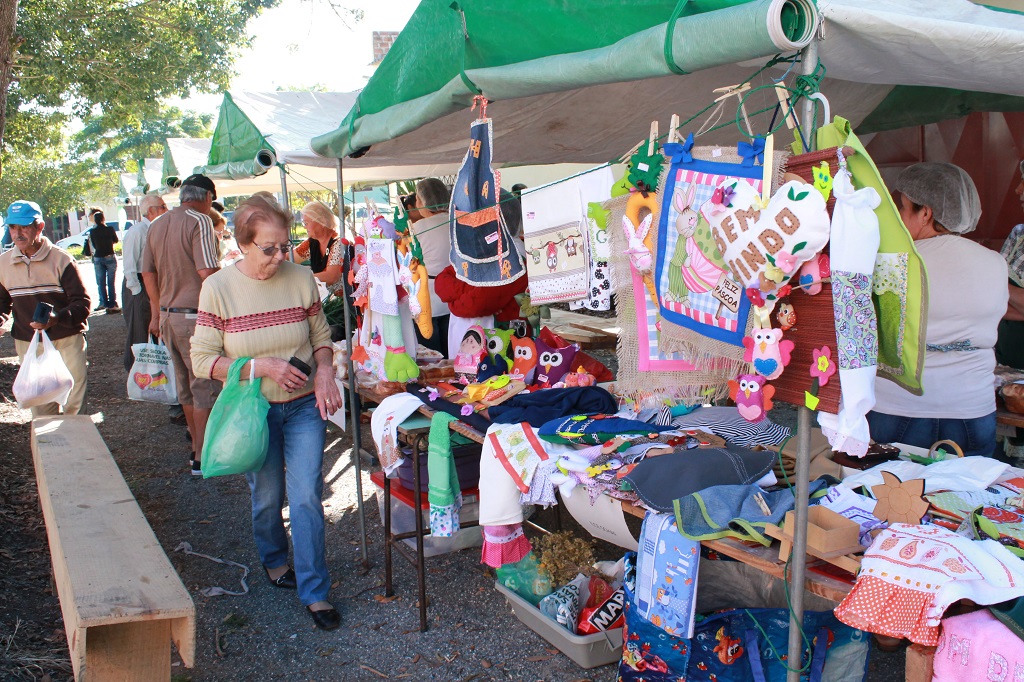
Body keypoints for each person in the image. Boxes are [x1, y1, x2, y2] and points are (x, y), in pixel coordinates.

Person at [190, 195, 343, 630]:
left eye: (284, 245)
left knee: (308, 496)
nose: (281, 256)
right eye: (269, 248)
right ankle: (275, 560)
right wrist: (261, 367)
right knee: (268, 497)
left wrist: (326, 370)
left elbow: (319, 334)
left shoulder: (299, 278)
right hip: (254, 411)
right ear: (243, 245)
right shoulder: (218, 288)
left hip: (302, 410)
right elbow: (202, 360)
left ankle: (314, 591)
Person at [869, 163, 1008, 457]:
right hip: (972, 408)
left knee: (891, 497)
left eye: (903, 207)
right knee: (962, 501)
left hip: (898, 406)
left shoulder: (892, 262)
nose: (898, 215)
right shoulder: (994, 262)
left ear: (926, 213)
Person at [140, 174, 221, 476]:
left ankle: (195, 450)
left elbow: (147, 273)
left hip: (167, 316)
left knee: (185, 388)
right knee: (204, 386)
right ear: (207, 198)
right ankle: (204, 454)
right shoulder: (199, 220)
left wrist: (156, 310)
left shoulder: (157, 224)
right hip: (195, 315)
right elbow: (208, 273)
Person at [0, 200, 91, 416]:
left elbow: (83, 303)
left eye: (24, 227)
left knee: (73, 402)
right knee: (39, 404)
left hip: (66, 338)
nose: (17, 233)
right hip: (28, 341)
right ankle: (48, 448)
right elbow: (2, 303)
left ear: (40, 227)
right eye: (13, 227)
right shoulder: (2, 264)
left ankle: (77, 449)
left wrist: (56, 317)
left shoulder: (62, 259)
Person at [121, 195, 168, 372]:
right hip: (139, 285)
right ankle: (138, 370)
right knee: (140, 327)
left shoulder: (159, 228)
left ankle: (156, 370)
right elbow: (130, 265)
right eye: (163, 207)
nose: (166, 210)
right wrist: (137, 293)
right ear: (151, 211)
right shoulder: (138, 231)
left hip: (153, 282)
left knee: (155, 328)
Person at [412, 178, 452, 356]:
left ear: (421, 202)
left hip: (427, 295)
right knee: (452, 348)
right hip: (455, 293)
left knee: (431, 355)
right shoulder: (457, 222)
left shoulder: (417, 228)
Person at [997, 159, 1024, 369]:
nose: (1017, 189)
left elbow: (995, 294)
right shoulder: (1018, 234)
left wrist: (1002, 289)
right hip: (1005, 362)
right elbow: (991, 297)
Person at [293, 201, 343, 294]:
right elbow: (291, 257)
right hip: (322, 297)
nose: (304, 227)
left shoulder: (338, 243)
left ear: (322, 221)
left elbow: (331, 277)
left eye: (306, 223)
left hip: (339, 302)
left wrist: (300, 279)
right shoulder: (312, 242)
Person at [83, 210, 120, 312]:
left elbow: (94, 245)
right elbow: (116, 240)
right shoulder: (110, 229)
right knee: (111, 282)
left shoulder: (92, 231)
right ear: (103, 219)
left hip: (98, 257)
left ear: (94, 220)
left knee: (101, 282)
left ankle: (104, 302)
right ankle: (112, 303)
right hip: (110, 256)